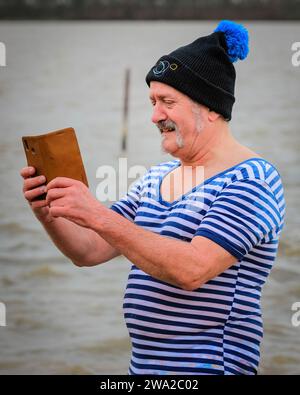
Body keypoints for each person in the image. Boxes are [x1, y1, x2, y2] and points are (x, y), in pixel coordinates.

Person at [20, 21, 285, 375]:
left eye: (167, 102)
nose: (155, 115)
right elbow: (89, 251)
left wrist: (98, 214)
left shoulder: (252, 179)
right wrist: (49, 211)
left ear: (210, 108)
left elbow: (192, 269)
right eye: (152, 101)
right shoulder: (157, 177)